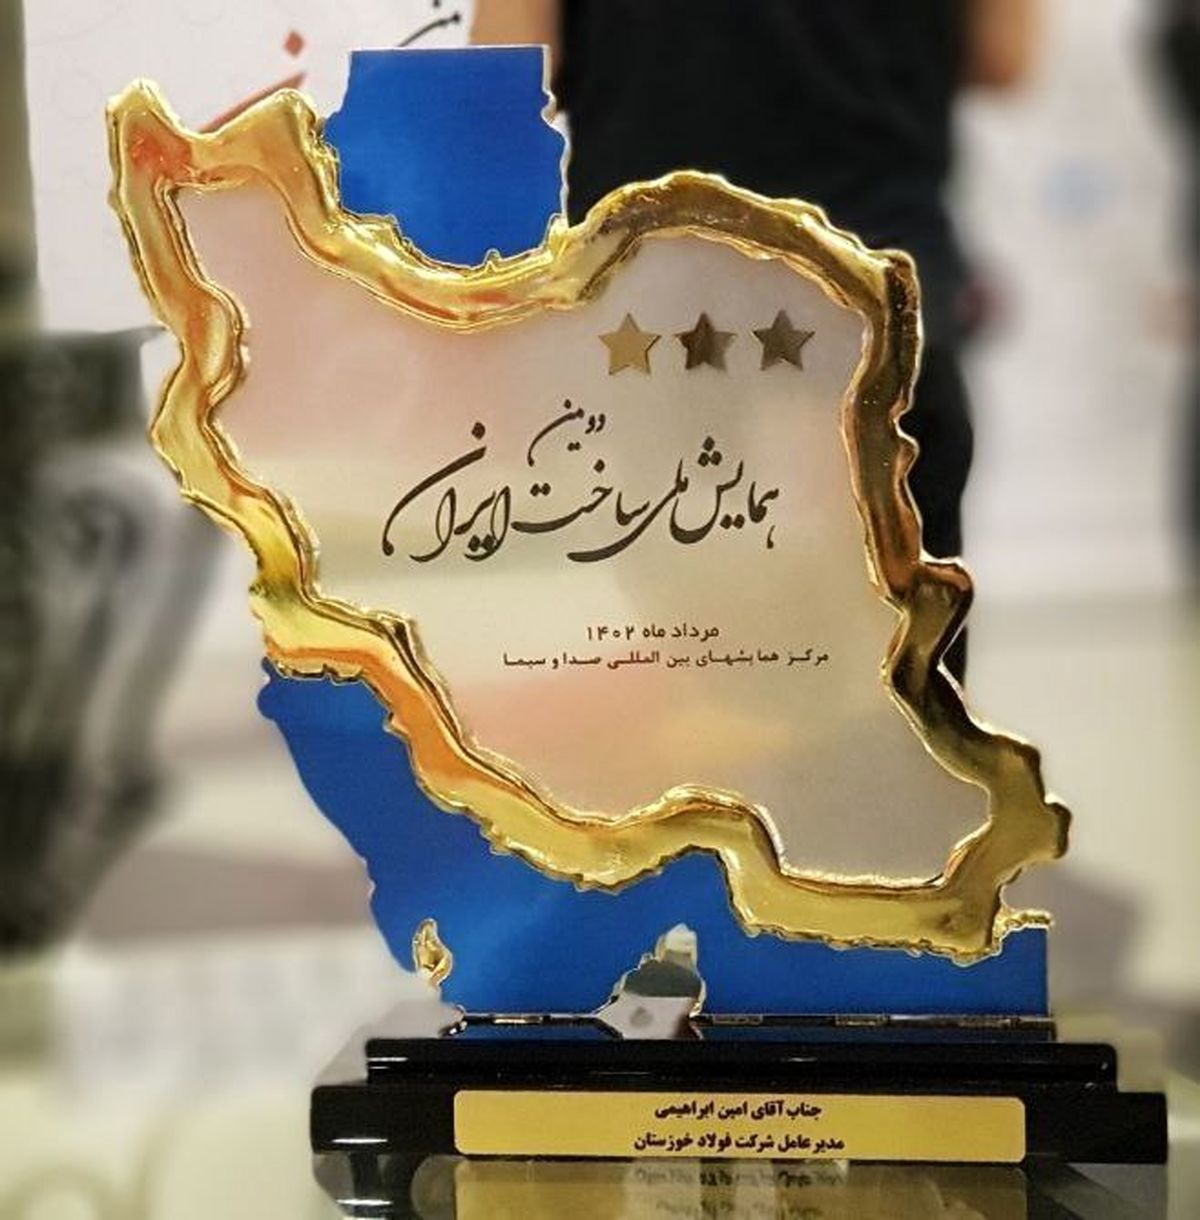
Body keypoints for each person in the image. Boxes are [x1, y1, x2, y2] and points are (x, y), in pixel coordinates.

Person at [473, 0, 1039, 678]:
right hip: (877, 297)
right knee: (896, 699)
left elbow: (508, 67)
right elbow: (1004, 59)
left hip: (657, 306)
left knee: (698, 691)